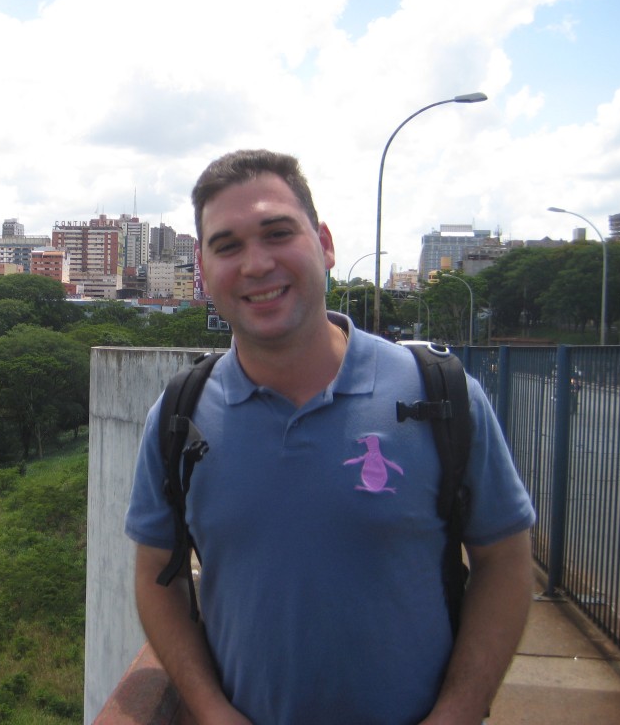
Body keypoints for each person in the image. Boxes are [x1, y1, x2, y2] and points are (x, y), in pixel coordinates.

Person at [125, 149, 536, 724]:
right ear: (202, 265)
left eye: (277, 233)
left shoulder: (440, 394)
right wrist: (211, 709)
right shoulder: (179, 418)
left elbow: (506, 561)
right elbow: (155, 577)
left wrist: (461, 710)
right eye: (228, 245)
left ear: (324, 243)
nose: (256, 264)